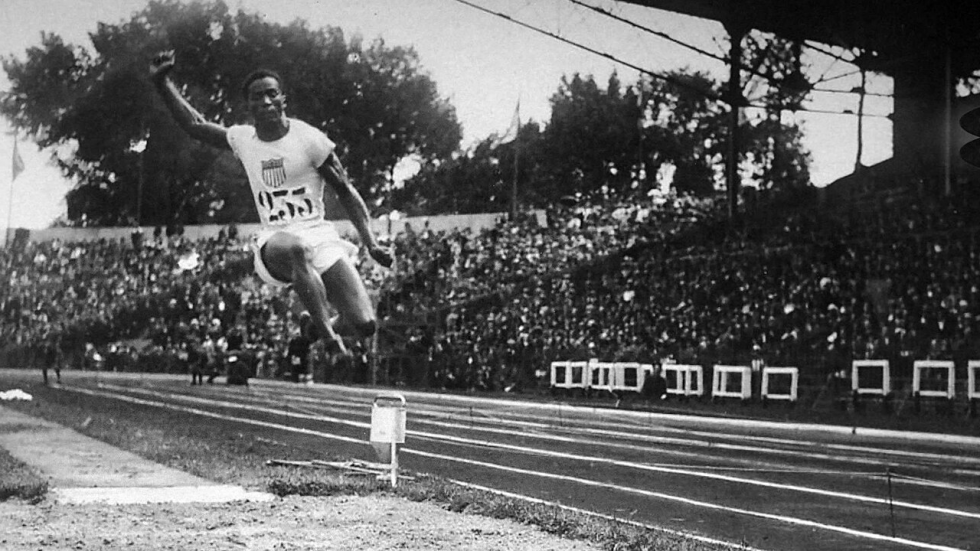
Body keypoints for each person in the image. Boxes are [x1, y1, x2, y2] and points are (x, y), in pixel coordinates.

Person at [149, 51, 393, 360]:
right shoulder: (244, 139)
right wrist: (163, 83)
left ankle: (315, 326)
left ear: (282, 99)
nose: (265, 102)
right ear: (248, 105)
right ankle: (330, 340)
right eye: (256, 97)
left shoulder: (310, 140)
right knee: (297, 249)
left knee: (366, 324)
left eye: (271, 94)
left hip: (318, 232)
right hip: (275, 238)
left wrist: (371, 242)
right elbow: (195, 124)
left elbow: (345, 190)